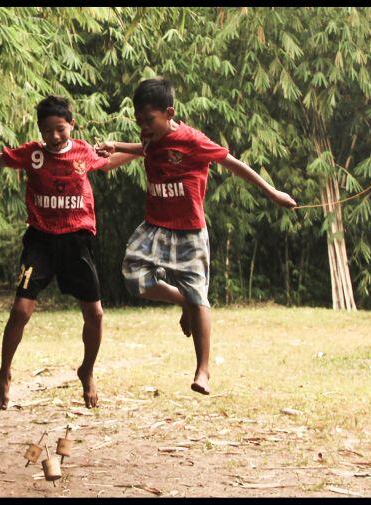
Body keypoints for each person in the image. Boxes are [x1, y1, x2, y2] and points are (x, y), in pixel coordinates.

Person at [95, 77, 296, 395]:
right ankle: (183, 303)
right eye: (139, 121)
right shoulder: (150, 137)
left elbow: (234, 164)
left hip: (189, 230)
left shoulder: (193, 140)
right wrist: (110, 156)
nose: (144, 127)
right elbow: (145, 149)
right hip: (155, 226)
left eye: (149, 120)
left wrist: (272, 193)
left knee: (199, 294)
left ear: (169, 112)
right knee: (134, 278)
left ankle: (203, 370)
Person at [0, 94, 139, 409]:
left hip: (77, 241)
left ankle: (87, 371)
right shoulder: (31, 154)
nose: (55, 137)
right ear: (40, 131)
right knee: (20, 310)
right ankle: (4, 374)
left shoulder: (84, 151)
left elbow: (109, 160)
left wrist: (139, 150)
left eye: (60, 129)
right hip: (40, 241)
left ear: (72, 124)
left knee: (95, 315)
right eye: (47, 131)